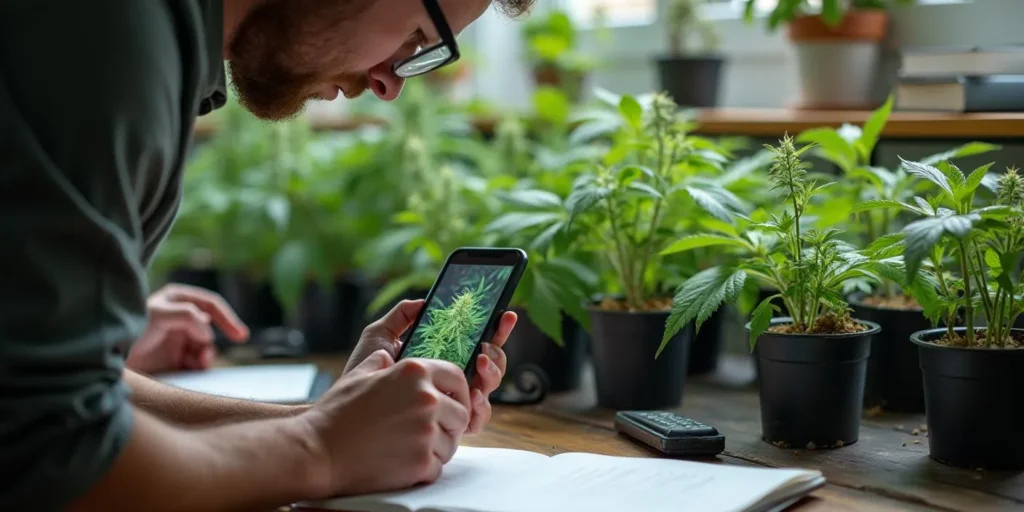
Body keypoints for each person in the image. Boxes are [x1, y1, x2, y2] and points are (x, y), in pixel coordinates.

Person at [0, 0, 534, 510]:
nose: (389, 84)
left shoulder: (161, 36)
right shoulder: (110, 34)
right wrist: (321, 447)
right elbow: (48, 454)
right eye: (419, 35)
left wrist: (335, 421)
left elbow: (57, 390)